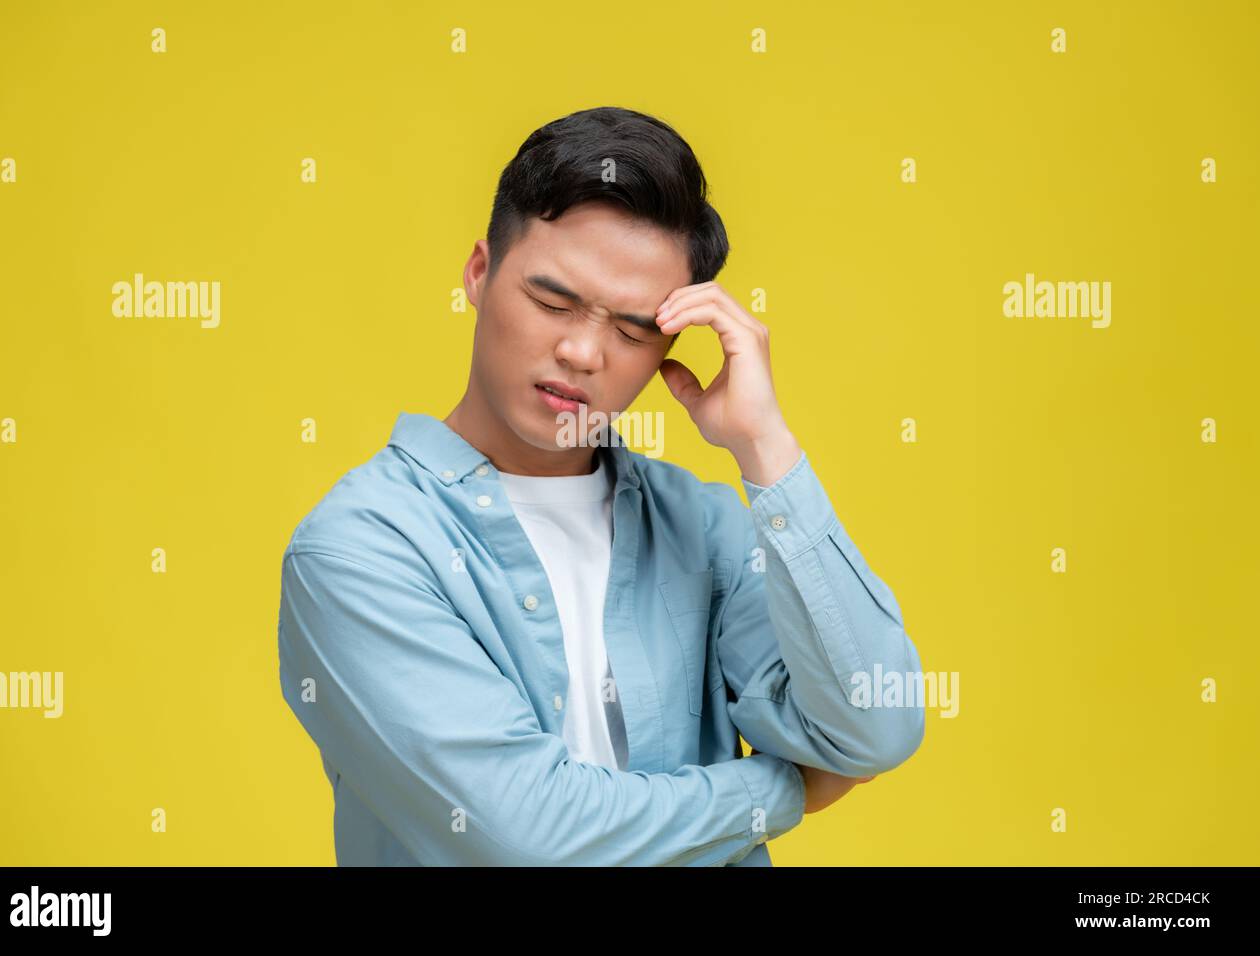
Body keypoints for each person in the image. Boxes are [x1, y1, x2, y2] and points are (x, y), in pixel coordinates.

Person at [276, 105, 923, 866]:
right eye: (552, 302)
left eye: (632, 330)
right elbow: (526, 840)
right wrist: (783, 791)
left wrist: (766, 451)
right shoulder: (359, 549)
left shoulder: (704, 528)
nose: (583, 351)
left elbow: (875, 725)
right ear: (479, 273)